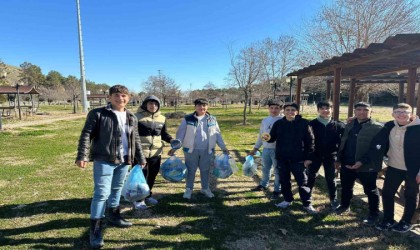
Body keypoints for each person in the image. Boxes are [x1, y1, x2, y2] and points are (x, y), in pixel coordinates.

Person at [76, 85, 146, 249]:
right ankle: (96, 229)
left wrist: (140, 157)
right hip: (104, 159)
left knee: (116, 190)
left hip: (124, 160)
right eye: (116, 95)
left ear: (128, 98)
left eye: (123, 96)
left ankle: (114, 216)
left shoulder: (131, 116)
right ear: (109, 97)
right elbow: (87, 134)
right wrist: (82, 155)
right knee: (101, 193)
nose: (120, 98)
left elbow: (135, 138)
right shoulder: (98, 114)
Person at [359, 103, 420, 233]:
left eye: (405, 112)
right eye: (398, 112)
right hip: (393, 167)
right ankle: (388, 219)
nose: (401, 114)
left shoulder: (418, 128)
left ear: (411, 114)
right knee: (387, 193)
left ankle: (406, 221)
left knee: (411, 195)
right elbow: (375, 133)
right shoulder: (389, 126)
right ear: (393, 114)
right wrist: (355, 119)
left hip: (414, 170)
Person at [334, 102, 383, 226]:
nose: (362, 112)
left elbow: (376, 149)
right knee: (346, 187)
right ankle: (344, 205)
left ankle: (373, 214)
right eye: (359, 109)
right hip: (347, 162)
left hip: (367, 165)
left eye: (365, 109)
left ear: (371, 111)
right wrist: (339, 159)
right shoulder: (349, 125)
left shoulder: (378, 128)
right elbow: (343, 143)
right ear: (354, 111)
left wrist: (362, 162)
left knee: (370, 190)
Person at [265, 102, 317, 214]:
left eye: (292, 110)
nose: (290, 112)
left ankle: (307, 203)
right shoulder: (279, 123)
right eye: (287, 110)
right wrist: (266, 137)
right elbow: (272, 138)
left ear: (297, 112)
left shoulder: (304, 123)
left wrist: (309, 157)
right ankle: (287, 199)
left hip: (299, 158)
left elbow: (310, 141)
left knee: (303, 182)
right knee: (284, 180)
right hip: (282, 157)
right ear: (284, 111)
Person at [173, 98, 229, 199]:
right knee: (191, 170)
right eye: (199, 105)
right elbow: (180, 134)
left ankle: (205, 188)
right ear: (195, 107)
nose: (201, 108)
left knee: (205, 170)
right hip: (191, 150)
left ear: (207, 107)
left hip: (207, 150)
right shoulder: (188, 119)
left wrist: (223, 147)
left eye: (204, 105)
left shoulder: (212, 119)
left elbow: (217, 134)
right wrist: (175, 147)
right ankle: (188, 189)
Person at [132, 95, 174, 210]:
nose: (153, 106)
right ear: (145, 104)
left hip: (156, 153)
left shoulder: (162, 118)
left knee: (152, 175)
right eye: (150, 103)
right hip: (140, 153)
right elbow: (131, 136)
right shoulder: (135, 117)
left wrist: (171, 140)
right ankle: (138, 199)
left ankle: (148, 195)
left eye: (155, 104)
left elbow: (163, 134)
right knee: (140, 176)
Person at [307, 101, 345, 209]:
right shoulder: (311, 124)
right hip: (315, 155)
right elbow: (306, 141)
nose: (325, 110)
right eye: (322, 108)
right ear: (318, 110)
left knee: (331, 178)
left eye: (327, 108)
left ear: (332, 110)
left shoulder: (338, 125)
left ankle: (333, 199)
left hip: (331, 156)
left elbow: (344, 140)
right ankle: (308, 198)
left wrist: (339, 157)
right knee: (311, 176)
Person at [249, 100, 283, 199]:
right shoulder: (265, 120)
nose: (274, 110)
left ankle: (277, 190)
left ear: (280, 109)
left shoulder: (282, 120)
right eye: (271, 108)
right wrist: (255, 148)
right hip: (266, 149)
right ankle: (263, 185)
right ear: (268, 108)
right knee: (265, 168)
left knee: (277, 171)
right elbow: (261, 136)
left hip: (278, 150)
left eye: (277, 108)